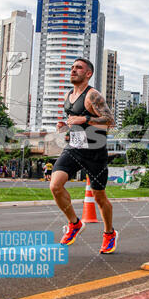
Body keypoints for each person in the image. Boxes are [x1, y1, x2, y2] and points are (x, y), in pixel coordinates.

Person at [50, 57, 118, 254]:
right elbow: (74, 120)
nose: (73, 70)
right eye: (72, 67)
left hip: (95, 151)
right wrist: (66, 125)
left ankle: (109, 233)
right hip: (74, 147)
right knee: (55, 185)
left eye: (78, 68)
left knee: (100, 198)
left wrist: (85, 118)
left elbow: (110, 121)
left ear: (88, 74)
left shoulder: (93, 95)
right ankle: (74, 223)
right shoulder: (68, 95)